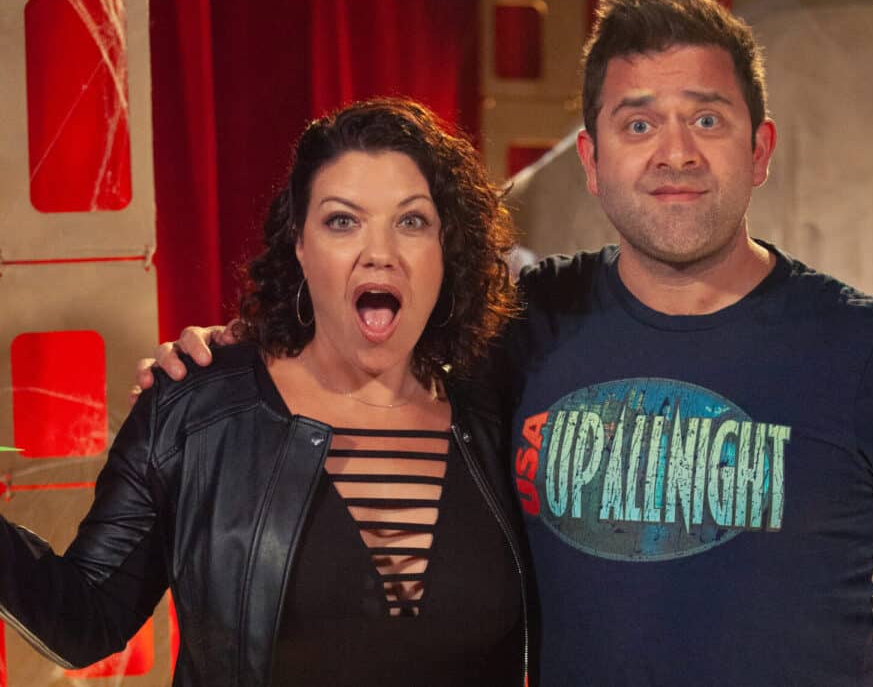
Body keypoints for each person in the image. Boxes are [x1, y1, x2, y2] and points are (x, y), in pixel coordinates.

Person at [142, 0, 873, 686]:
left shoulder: (869, 353)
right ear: (593, 163)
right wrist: (234, 359)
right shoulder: (517, 325)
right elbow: (353, 345)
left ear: (760, 150)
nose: (675, 153)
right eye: (638, 123)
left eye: (707, 118)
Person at [1, 98, 530, 686]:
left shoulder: (499, 416)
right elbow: (81, 619)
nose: (380, 254)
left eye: (412, 222)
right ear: (300, 244)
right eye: (342, 221)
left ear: (445, 249)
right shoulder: (199, 411)